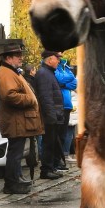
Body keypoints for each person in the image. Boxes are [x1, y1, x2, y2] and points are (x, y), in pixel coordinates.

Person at [0, 45, 43, 195]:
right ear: (8, 58)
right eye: (17, 56)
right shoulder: (6, 73)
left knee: (16, 153)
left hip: (18, 120)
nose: (20, 58)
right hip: (15, 120)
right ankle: (12, 183)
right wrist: (30, 99)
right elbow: (10, 95)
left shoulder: (10, 71)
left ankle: (16, 179)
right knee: (15, 153)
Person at [34, 50, 65, 180]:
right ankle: (46, 170)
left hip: (54, 115)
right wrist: (51, 116)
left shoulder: (48, 73)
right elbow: (46, 97)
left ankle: (51, 167)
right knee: (48, 143)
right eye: (56, 58)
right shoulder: (44, 73)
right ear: (49, 59)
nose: (58, 61)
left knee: (52, 143)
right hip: (50, 117)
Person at [55, 54, 77, 168]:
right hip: (60, 105)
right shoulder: (55, 68)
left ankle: (60, 160)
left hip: (67, 106)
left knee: (63, 135)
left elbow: (74, 82)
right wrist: (64, 82)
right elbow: (59, 79)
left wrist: (63, 84)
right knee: (59, 135)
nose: (60, 56)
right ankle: (58, 160)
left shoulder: (66, 67)